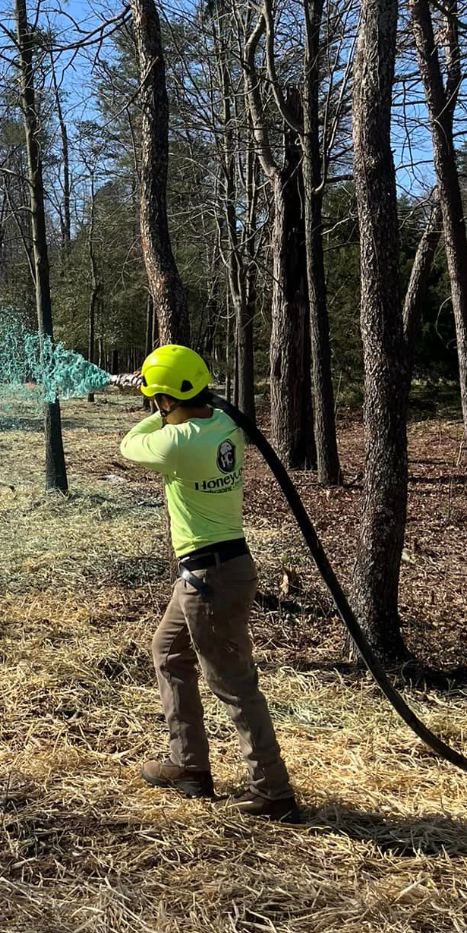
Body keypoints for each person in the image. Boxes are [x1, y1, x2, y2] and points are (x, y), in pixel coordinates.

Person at [116, 344, 298, 821]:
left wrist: (151, 402)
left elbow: (129, 444)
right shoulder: (224, 425)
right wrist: (161, 394)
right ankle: (189, 766)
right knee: (168, 652)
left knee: (234, 684)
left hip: (209, 579)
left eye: (157, 398)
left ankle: (272, 792)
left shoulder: (177, 442)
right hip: (217, 570)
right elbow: (186, 410)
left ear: (166, 401)